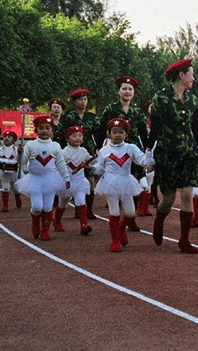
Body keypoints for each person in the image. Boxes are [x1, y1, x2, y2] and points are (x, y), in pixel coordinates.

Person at [144, 59, 198, 254]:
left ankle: (184, 240)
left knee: (187, 194)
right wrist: (148, 151)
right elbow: (155, 127)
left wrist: (196, 147)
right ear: (181, 75)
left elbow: (194, 126)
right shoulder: (161, 98)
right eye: (191, 74)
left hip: (188, 153)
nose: (193, 78)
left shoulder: (192, 99)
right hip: (168, 152)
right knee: (168, 198)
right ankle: (159, 220)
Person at [98, 76, 149, 232]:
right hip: (115, 150)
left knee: (138, 186)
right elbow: (101, 128)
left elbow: (143, 132)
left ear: (134, 92)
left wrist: (147, 149)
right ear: (119, 91)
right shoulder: (111, 109)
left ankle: (129, 219)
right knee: (116, 187)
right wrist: (100, 147)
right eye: (124, 89)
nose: (127, 92)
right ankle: (119, 221)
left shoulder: (137, 111)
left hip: (132, 150)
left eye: (130, 89)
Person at [92, 117, 148, 252]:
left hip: (126, 181)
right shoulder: (104, 150)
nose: (117, 135)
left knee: (130, 213)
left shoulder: (130, 148)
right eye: (114, 132)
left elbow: (141, 159)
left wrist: (150, 162)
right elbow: (100, 168)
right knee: (114, 211)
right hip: (110, 182)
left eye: (121, 132)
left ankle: (121, 229)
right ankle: (115, 241)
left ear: (126, 134)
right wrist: (91, 168)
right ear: (109, 133)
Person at [16, 116, 70, 241]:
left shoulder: (55, 146)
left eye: (47, 128)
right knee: (37, 207)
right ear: (36, 130)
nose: (44, 131)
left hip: (51, 180)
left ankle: (45, 231)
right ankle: (35, 222)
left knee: (47, 207)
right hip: (35, 180)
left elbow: (61, 164)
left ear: (52, 130)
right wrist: (20, 153)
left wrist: (66, 178)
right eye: (41, 128)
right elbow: (22, 161)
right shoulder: (30, 145)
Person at [61, 88, 101, 219]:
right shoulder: (69, 117)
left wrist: (99, 148)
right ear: (74, 102)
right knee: (73, 179)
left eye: (85, 99)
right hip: (72, 151)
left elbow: (98, 134)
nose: (83, 102)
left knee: (90, 181)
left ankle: (89, 210)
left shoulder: (92, 117)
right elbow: (62, 134)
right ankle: (77, 209)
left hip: (87, 149)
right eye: (80, 99)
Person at [53, 125, 93, 235]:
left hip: (80, 181)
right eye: (74, 136)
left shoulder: (83, 151)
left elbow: (90, 160)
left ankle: (84, 226)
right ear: (67, 139)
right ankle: (57, 221)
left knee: (80, 201)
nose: (78, 138)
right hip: (67, 181)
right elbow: (58, 165)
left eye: (80, 135)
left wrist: (94, 160)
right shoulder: (64, 152)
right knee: (63, 204)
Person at [0, 130, 22, 212]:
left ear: (13, 140)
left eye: (9, 137)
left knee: (16, 189)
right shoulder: (0, 150)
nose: (6, 138)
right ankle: (5, 205)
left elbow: (21, 160)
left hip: (14, 171)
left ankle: (17, 197)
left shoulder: (16, 150)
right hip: (4, 172)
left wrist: (20, 153)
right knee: (5, 188)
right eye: (5, 137)